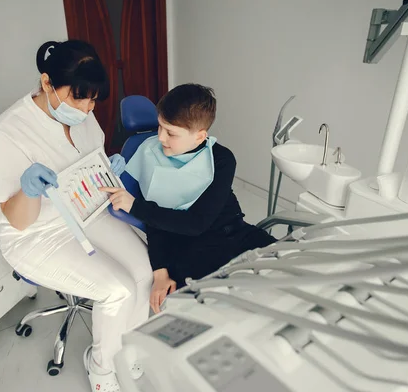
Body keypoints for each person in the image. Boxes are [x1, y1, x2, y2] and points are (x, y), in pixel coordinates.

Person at [0, 40, 152, 392]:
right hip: (36, 235)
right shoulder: (7, 132)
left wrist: (110, 170)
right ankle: (102, 367)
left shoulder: (86, 118)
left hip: (87, 213)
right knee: (117, 290)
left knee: (144, 271)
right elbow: (18, 221)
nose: (87, 107)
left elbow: (92, 167)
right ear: (47, 83)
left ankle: (126, 347)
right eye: (79, 98)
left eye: (93, 99)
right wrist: (28, 191)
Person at [101, 83, 277, 313]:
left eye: (171, 133)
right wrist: (160, 273)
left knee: (286, 271)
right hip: (189, 247)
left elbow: (197, 220)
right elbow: (158, 222)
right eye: (160, 126)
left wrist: (137, 207)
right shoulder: (149, 153)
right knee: (239, 309)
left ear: (199, 136)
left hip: (235, 232)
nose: (161, 137)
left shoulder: (221, 159)